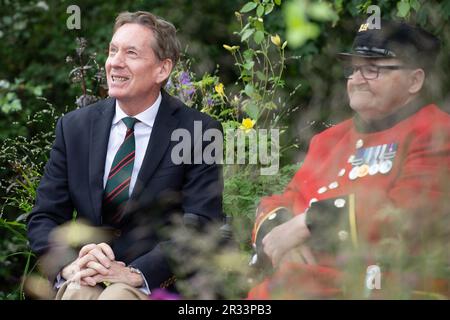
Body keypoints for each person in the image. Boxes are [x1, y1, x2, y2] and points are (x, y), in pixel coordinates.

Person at [27, 11, 223, 300]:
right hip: (87, 272)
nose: (115, 62)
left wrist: (136, 273)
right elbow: (44, 216)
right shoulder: (74, 127)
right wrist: (71, 263)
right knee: (78, 293)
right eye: (113, 50)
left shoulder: (198, 131)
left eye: (131, 53)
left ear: (162, 69)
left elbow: (201, 220)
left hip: (159, 281)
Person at [248, 19, 450, 299]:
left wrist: (307, 224)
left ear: (415, 80)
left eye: (372, 70)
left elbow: (407, 214)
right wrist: (280, 234)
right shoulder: (329, 141)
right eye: (353, 69)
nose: (355, 80)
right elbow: (283, 200)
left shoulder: (437, 132)